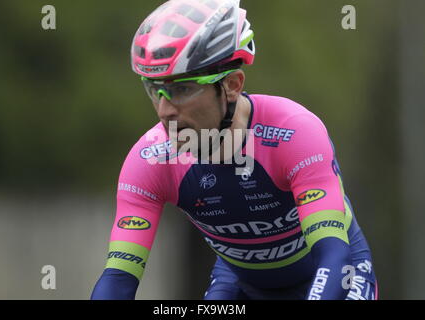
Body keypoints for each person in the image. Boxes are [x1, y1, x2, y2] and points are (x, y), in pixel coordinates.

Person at [91, 0, 378, 300]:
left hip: (334, 275)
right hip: (240, 284)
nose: (165, 111)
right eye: (155, 90)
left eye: (181, 89)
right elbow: (118, 279)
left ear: (231, 84)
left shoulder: (294, 133)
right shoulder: (149, 161)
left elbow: (333, 256)